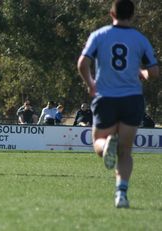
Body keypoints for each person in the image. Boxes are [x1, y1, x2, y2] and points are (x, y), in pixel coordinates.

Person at [77, 0, 159, 208]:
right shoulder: (140, 39)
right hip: (132, 99)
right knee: (126, 150)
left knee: (98, 143)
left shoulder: (99, 35)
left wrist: (91, 84)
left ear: (111, 13)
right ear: (132, 16)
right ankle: (121, 194)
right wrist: (141, 74)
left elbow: (82, 63)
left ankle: (106, 147)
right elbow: (154, 72)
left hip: (106, 97)